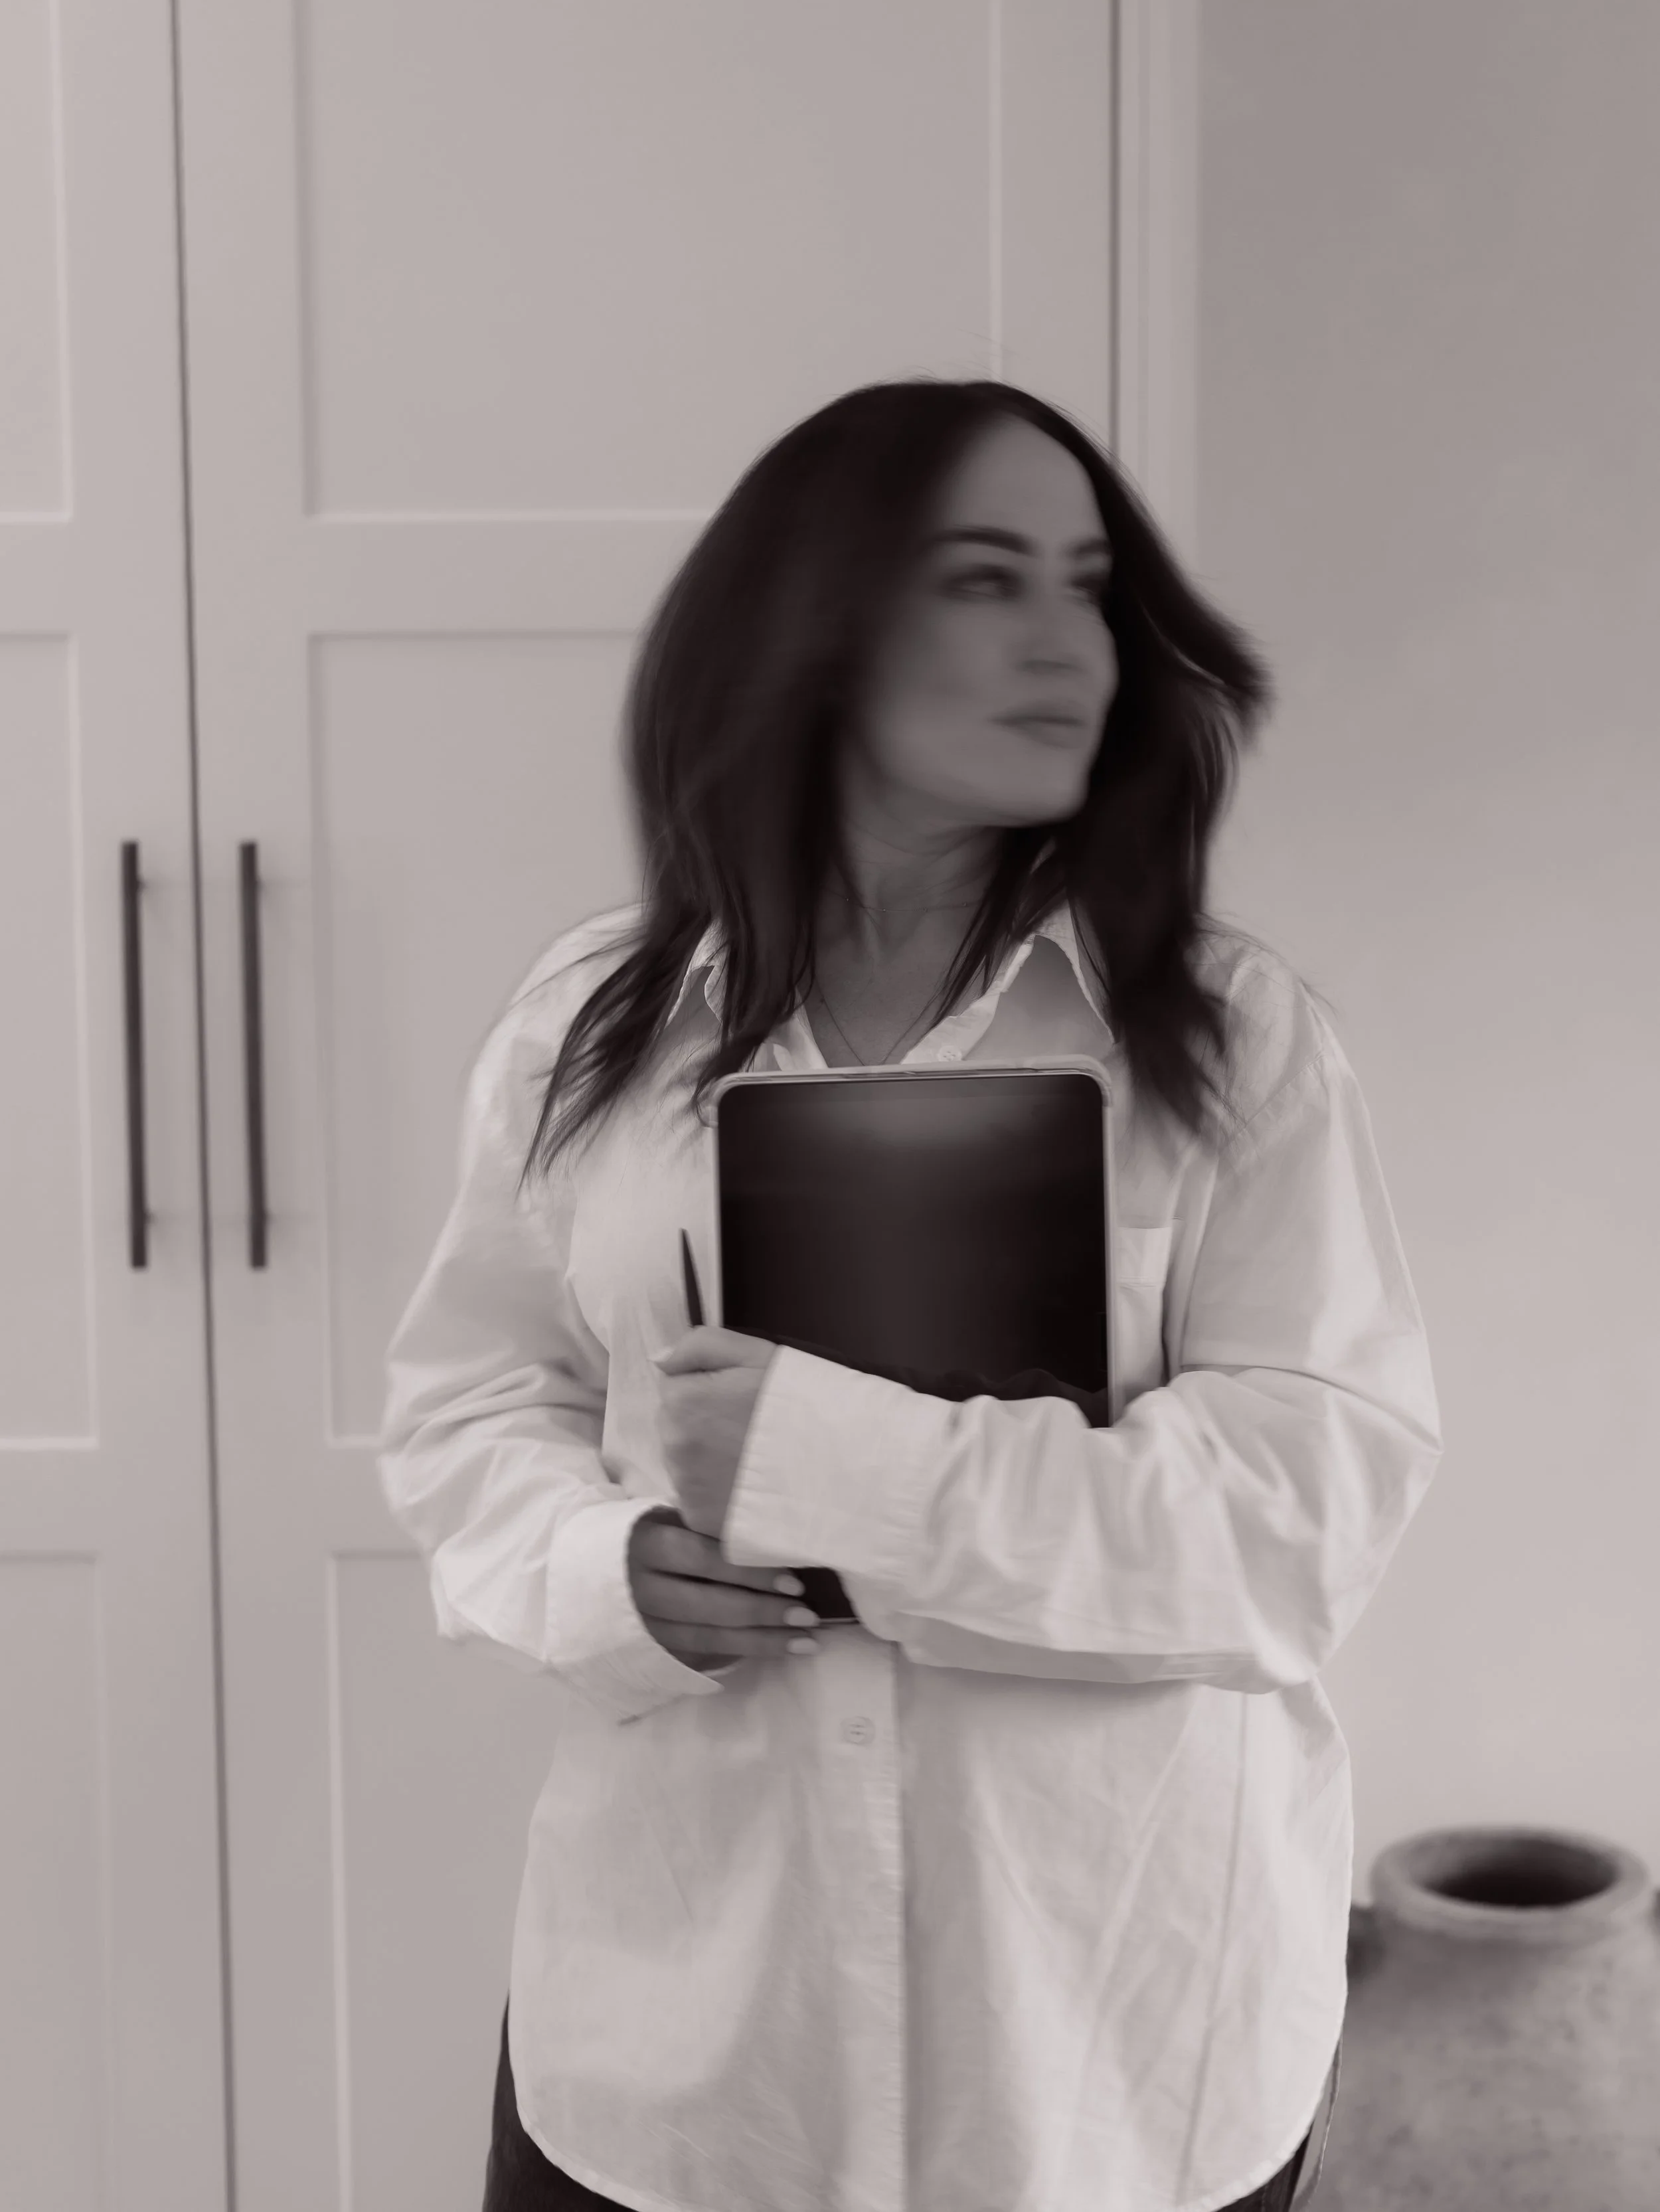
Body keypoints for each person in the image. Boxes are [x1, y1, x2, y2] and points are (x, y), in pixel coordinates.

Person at [378, 378, 1440, 2212]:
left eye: (1090, 583)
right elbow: (472, 1406)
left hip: (1100, 2056)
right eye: (983, 576)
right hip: (691, 2047)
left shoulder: (1232, 1046)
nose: (1070, 641)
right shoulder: (586, 1032)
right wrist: (604, 1569)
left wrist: (835, 1469)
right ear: (811, 621)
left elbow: (1302, 1513)